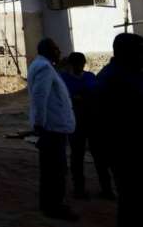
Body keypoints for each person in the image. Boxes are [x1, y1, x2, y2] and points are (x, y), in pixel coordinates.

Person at [27, 38, 78, 222]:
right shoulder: (44, 68)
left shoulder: (42, 65)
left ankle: (48, 204)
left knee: (50, 169)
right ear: (48, 51)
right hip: (52, 127)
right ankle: (55, 206)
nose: (59, 51)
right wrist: (40, 124)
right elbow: (40, 96)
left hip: (50, 126)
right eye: (56, 49)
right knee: (56, 170)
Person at [97, 33, 143, 227]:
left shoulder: (130, 73)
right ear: (127, 53)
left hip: (128, 148)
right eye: (140, 51)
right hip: (126, 151)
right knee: (131, 200)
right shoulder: (112, 79)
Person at [60, 52, 114, 199]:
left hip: (92, 122)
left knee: (98, 156)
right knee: (78, 157)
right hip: (77, 123)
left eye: (81, 64)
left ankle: (106, 189)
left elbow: (95, 95)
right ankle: (80, 189)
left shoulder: (88, 76)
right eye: (78, 65)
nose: (80, 67)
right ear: (71, 65)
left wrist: (80, 97)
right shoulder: (66, 79)